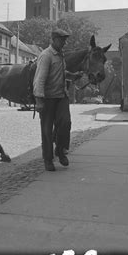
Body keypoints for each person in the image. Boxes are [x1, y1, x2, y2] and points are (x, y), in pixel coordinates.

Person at [33, 28, 74, 171]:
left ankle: (61, 151)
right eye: (62, 40)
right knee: (46, 129)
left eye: (65, 40)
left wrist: (72, 76)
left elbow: (61, 73)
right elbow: (40, 79)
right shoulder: (46, 55)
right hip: (48, 98)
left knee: (65, 123)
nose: (64, 42)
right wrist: (39, 100)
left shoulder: (61, 55)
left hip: (61, 96)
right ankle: (48, 159)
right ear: (54, 40)